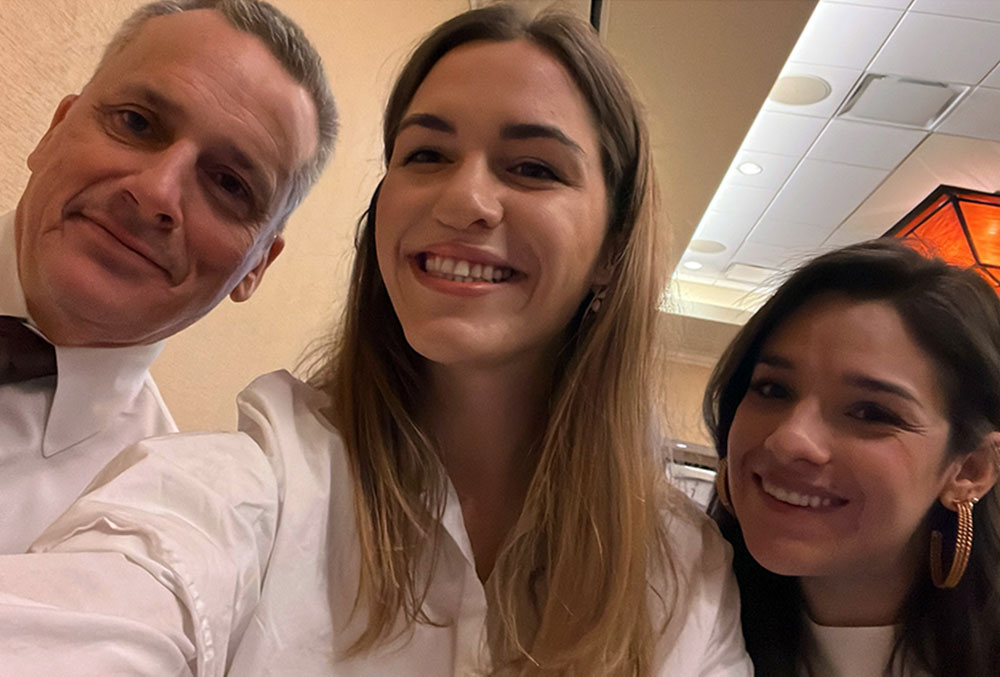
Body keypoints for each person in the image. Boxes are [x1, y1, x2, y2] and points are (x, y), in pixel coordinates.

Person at [0, 4, 751, 675]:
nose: (464, 199)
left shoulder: (684, 576)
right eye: (426, 154)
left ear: (614, 247)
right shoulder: (252, 484)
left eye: (532, 167)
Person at [0, 0, 336, 553]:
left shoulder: (147, 531)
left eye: (229, 184)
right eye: (136, 123)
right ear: (54, 132)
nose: (156, 191)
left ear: (255, 267)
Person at [704, 239, 1000, 676]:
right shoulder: (673, 616)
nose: (789, 440)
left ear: (970, 470)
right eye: (772, 389)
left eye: (870, 412)